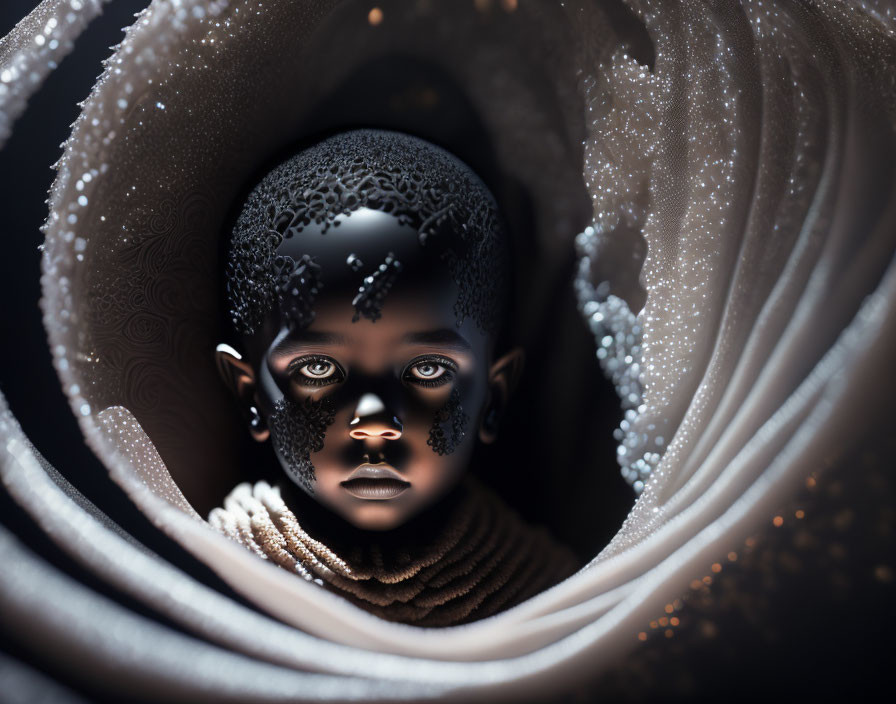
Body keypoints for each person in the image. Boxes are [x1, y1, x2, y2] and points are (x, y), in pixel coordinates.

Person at [209, 128, 580, 626]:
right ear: (249, 394)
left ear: (493, 398)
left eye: (428, 370)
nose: (375, 421)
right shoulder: (205, 580)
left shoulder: (555, 603)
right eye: (317, 368)